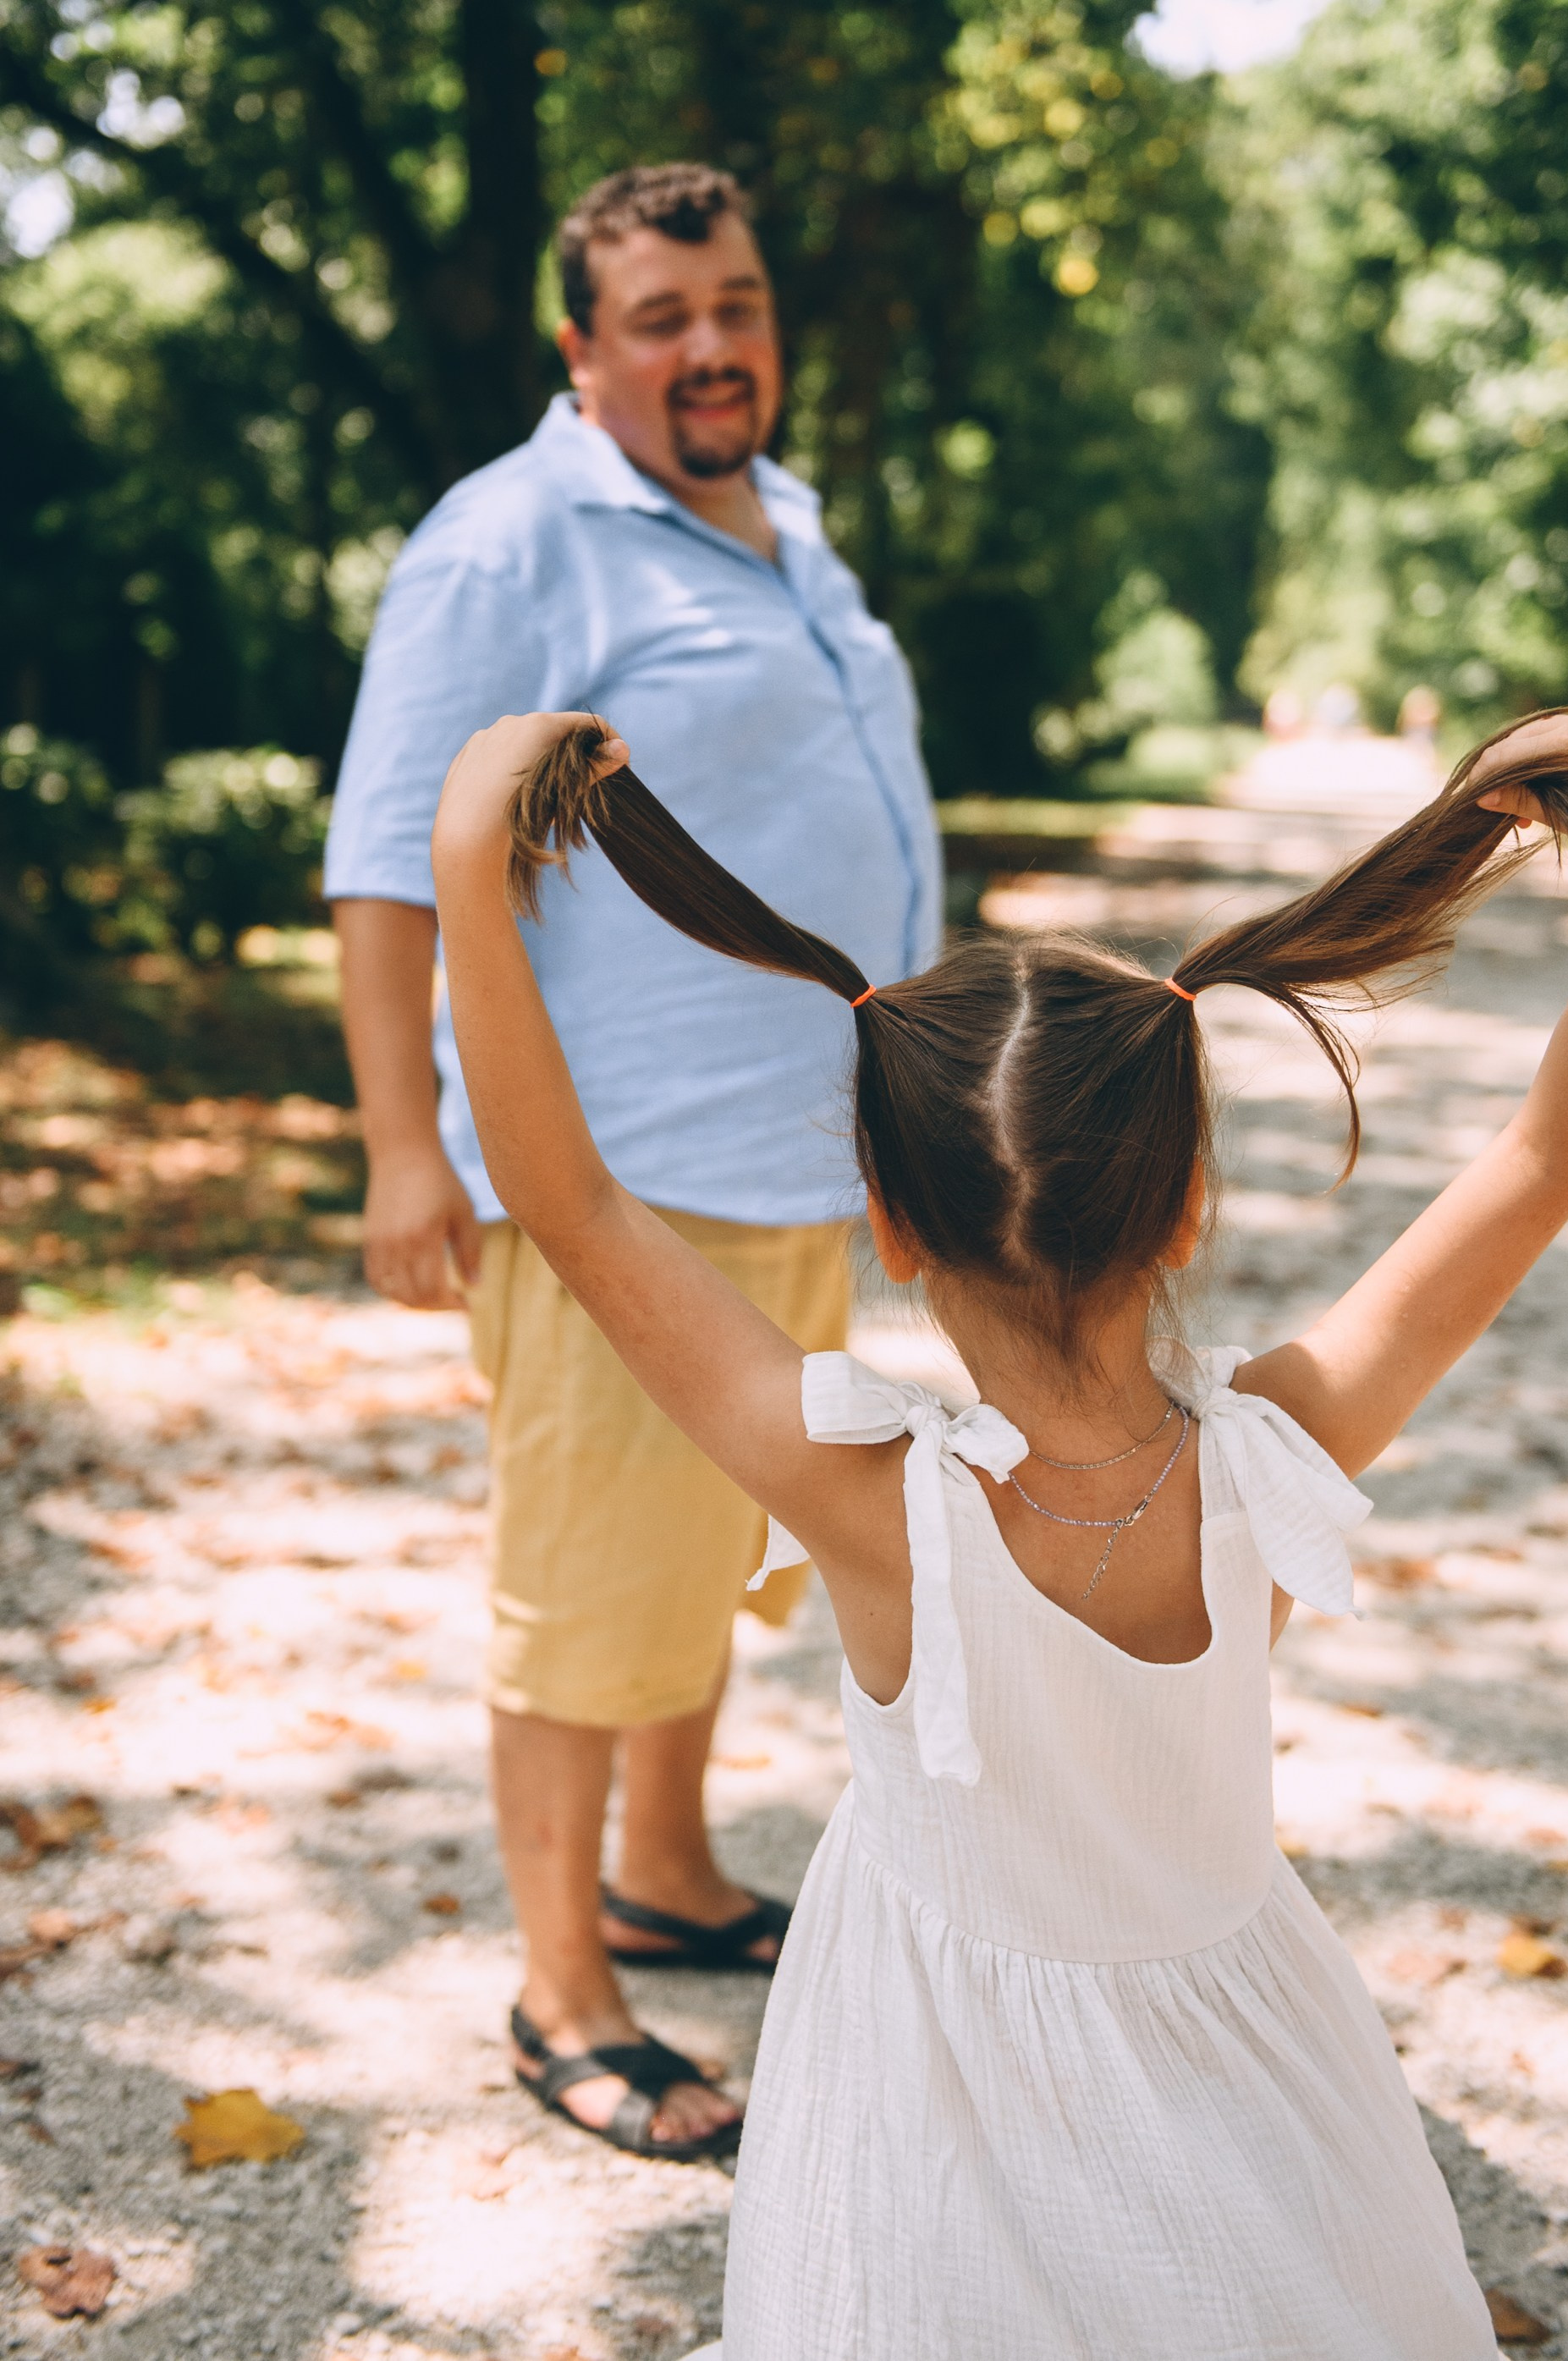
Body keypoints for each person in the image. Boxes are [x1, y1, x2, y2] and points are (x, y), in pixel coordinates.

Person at [430, 699, 1568, 2355]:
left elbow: (564, 1203)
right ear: (1192, 1198)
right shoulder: (1276, 1448)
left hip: (927, 2085)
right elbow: (1544, 1151)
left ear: (884, 1219)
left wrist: (465, 868)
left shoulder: (865, 1500)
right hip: (1250, 2054)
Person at [322, 162, 940, 2160]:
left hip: (793, 1154)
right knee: (588, 1579)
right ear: (579, 351)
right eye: (659, 317)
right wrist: (403, 1146)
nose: (708, 346)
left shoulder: (794, 525)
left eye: (734, 305)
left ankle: (663, 1875)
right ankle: (557, 1987)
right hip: (605, 1181)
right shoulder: (507, 542)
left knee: (723, 1554)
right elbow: (383, 856)